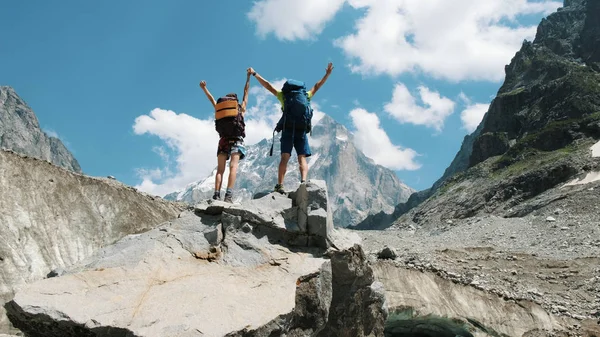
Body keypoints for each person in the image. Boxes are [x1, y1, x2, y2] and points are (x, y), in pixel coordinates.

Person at [249, 63, 334, 193]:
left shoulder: (283, 96)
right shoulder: (306, 96)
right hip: (301, 130)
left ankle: (280, 185)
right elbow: (317, 86)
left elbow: (267, 86)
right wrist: (327, 74)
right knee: (302, 157)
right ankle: (304, 181)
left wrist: (255, 74)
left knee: (285, 157)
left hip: (287, 130)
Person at [199, 68, 252, 203]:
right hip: (237, 141)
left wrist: (204, 88)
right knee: (233, 167)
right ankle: (228, 196)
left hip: (223, 141)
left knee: (220, 170)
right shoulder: (240, 109)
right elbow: (246, 92)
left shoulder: (220, 109)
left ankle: (216, 195)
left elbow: (211, 99)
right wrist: (248, 78)